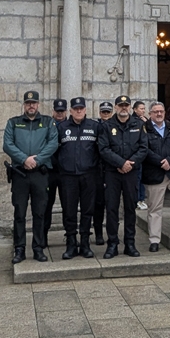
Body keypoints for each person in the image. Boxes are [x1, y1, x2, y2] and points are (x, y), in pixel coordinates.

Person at [3, 91, 59, 263]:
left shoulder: (48, 122)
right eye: (28, 103)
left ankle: (38, 248)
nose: (31, 106)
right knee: (19, 213)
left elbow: (53, 144)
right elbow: (7, 144)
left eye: (34, 103)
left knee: (39, 212)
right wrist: (23, 159)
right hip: (20, 174)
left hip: (40, 174)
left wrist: (37, 160)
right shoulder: (13, 122)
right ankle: (19, 249)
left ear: (38, 104)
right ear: (24, 105)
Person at [99, 95, 147, 258]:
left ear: (130, 107)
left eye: (126, 105)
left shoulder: (139, 125)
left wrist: (129, 164)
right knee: (111, 209)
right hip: (112, 173)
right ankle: (112, 244)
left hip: (131, 173)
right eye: (121, 105)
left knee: (130, 209)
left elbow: (143, 148)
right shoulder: (107, 126)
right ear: (116, 107)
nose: (124, 108)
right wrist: (120, 163)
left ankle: (130, 243)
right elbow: (104, 149)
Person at [54, 97, 100, 260]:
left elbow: (100, 150)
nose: (79, 111)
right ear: (71, 111)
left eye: (81, 108)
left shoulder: (94, 126)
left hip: (89, 176)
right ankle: (71, 245)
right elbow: (55, 151)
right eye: (75, 108)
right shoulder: (62, 127)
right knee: (69, 211)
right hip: (68, 177)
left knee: (88, 211)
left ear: (85, 110)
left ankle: (85, 244)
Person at [142, 102, 170, 251]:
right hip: (155, 173)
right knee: (155, 208)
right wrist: (161, 162)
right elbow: (144, 149)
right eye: (155, 112)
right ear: (150, 114)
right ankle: (154, 240)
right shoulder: (144, 129)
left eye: (161, 111)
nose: (159, 114)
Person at [41, 98, 68, 248]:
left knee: (68, 205)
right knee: (47, 205)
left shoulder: (70, 125)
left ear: (66, 111)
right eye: (57, 111)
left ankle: (69, 235)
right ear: (53, 111)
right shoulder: (46, 125)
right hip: (49, 171)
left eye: (62, 111)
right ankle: (43, 236)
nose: (59, 114)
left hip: (65, 172)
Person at [93, 101, 113, 245]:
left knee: (112, 204)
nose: (105, 115)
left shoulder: (116, 126)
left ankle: (112, 235)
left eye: (108, 112)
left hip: (112, 169)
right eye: (103, 112)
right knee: (98, 204)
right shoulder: (95, 127)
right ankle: (98, 233)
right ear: (100, 113)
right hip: (98, 169)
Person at [132, 100, 150, 210]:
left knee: (142, 177)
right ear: (135, 109)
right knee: (137, 178)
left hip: (145, 153)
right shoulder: (133, 120)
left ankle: (141, 198)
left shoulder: (145, 120)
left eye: (144, 108)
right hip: (136, 153)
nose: (143, 110)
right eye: (141, 108)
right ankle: (138, 199)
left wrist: (147, 123)